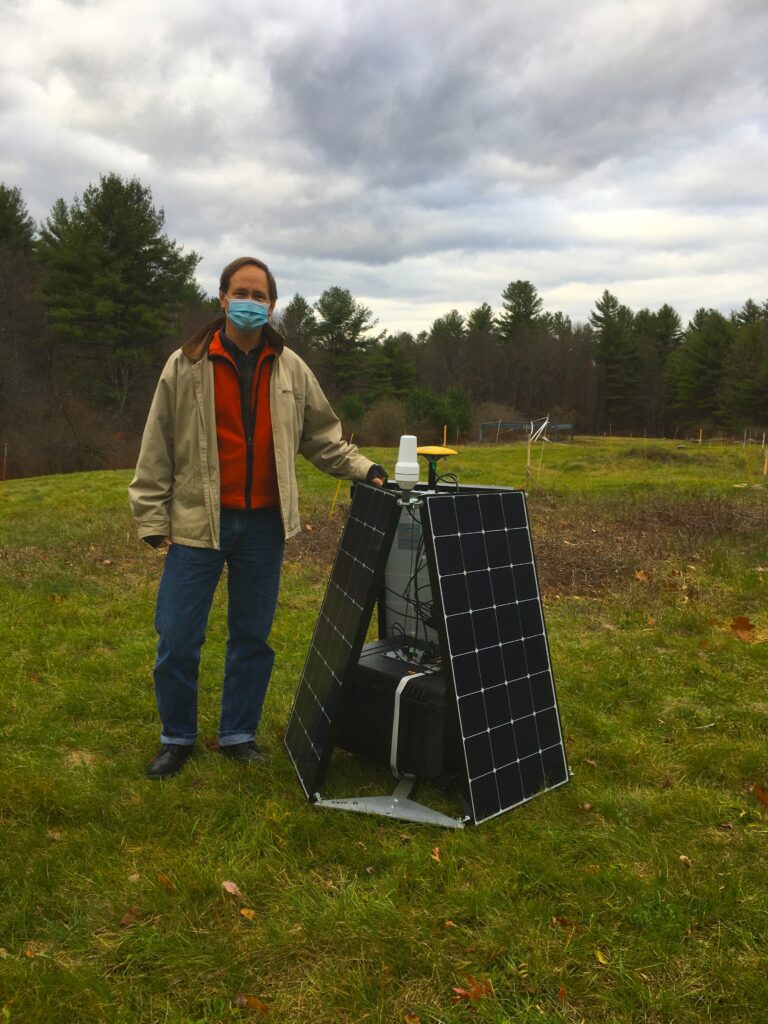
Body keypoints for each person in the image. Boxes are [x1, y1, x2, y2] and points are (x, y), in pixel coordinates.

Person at [129, 256, 387, 779]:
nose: (250, 302)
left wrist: (367, 470)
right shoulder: (186, 365)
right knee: (177, 637)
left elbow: (323, 438)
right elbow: (157, 443)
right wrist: (151, 516)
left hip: (264, 528)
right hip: (200, 524)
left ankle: (238, 734)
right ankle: (177, 738)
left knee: (252, 637)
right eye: (240, 292)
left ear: (271, 304)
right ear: (223, 299)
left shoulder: (290, 367)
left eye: (259, 295)